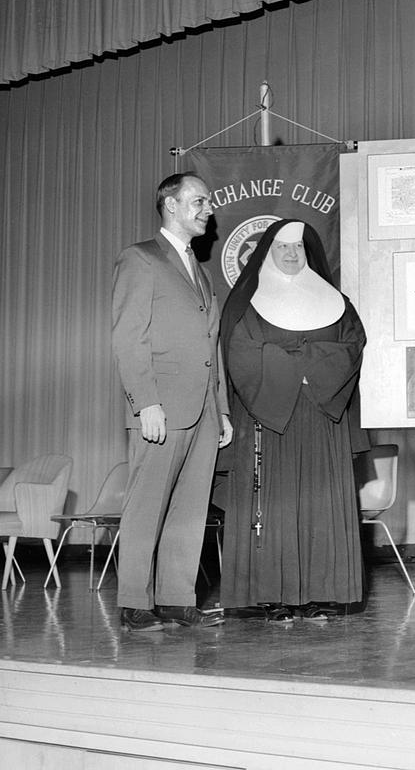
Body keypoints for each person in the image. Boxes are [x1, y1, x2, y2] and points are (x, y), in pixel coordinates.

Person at [219, 218, 367, 622]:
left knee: (320, 503)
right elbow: (239, 351)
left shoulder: (336, 301)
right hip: (268, 415)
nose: (290, 254)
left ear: (309, 252)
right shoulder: (245, 302)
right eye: (281, 247)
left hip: (323, 414)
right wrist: (297, 369)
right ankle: (274, 597)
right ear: (266, 252)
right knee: (275, 505)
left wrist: (310, 370)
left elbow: (353, 345)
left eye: (298, 247)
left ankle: (320, 593)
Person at [112, 172, 233, 632]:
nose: (209, 209)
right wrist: (146, 403)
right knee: (146, 505)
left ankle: (177, 600)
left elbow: (211, 345)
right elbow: (129, 337)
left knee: (190, 507)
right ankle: (134, 604)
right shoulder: (140, 260)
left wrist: (221, 408)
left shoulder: (199, 272)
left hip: (202, 410)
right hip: (160, 407)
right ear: (171, 206)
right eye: (199, 201)